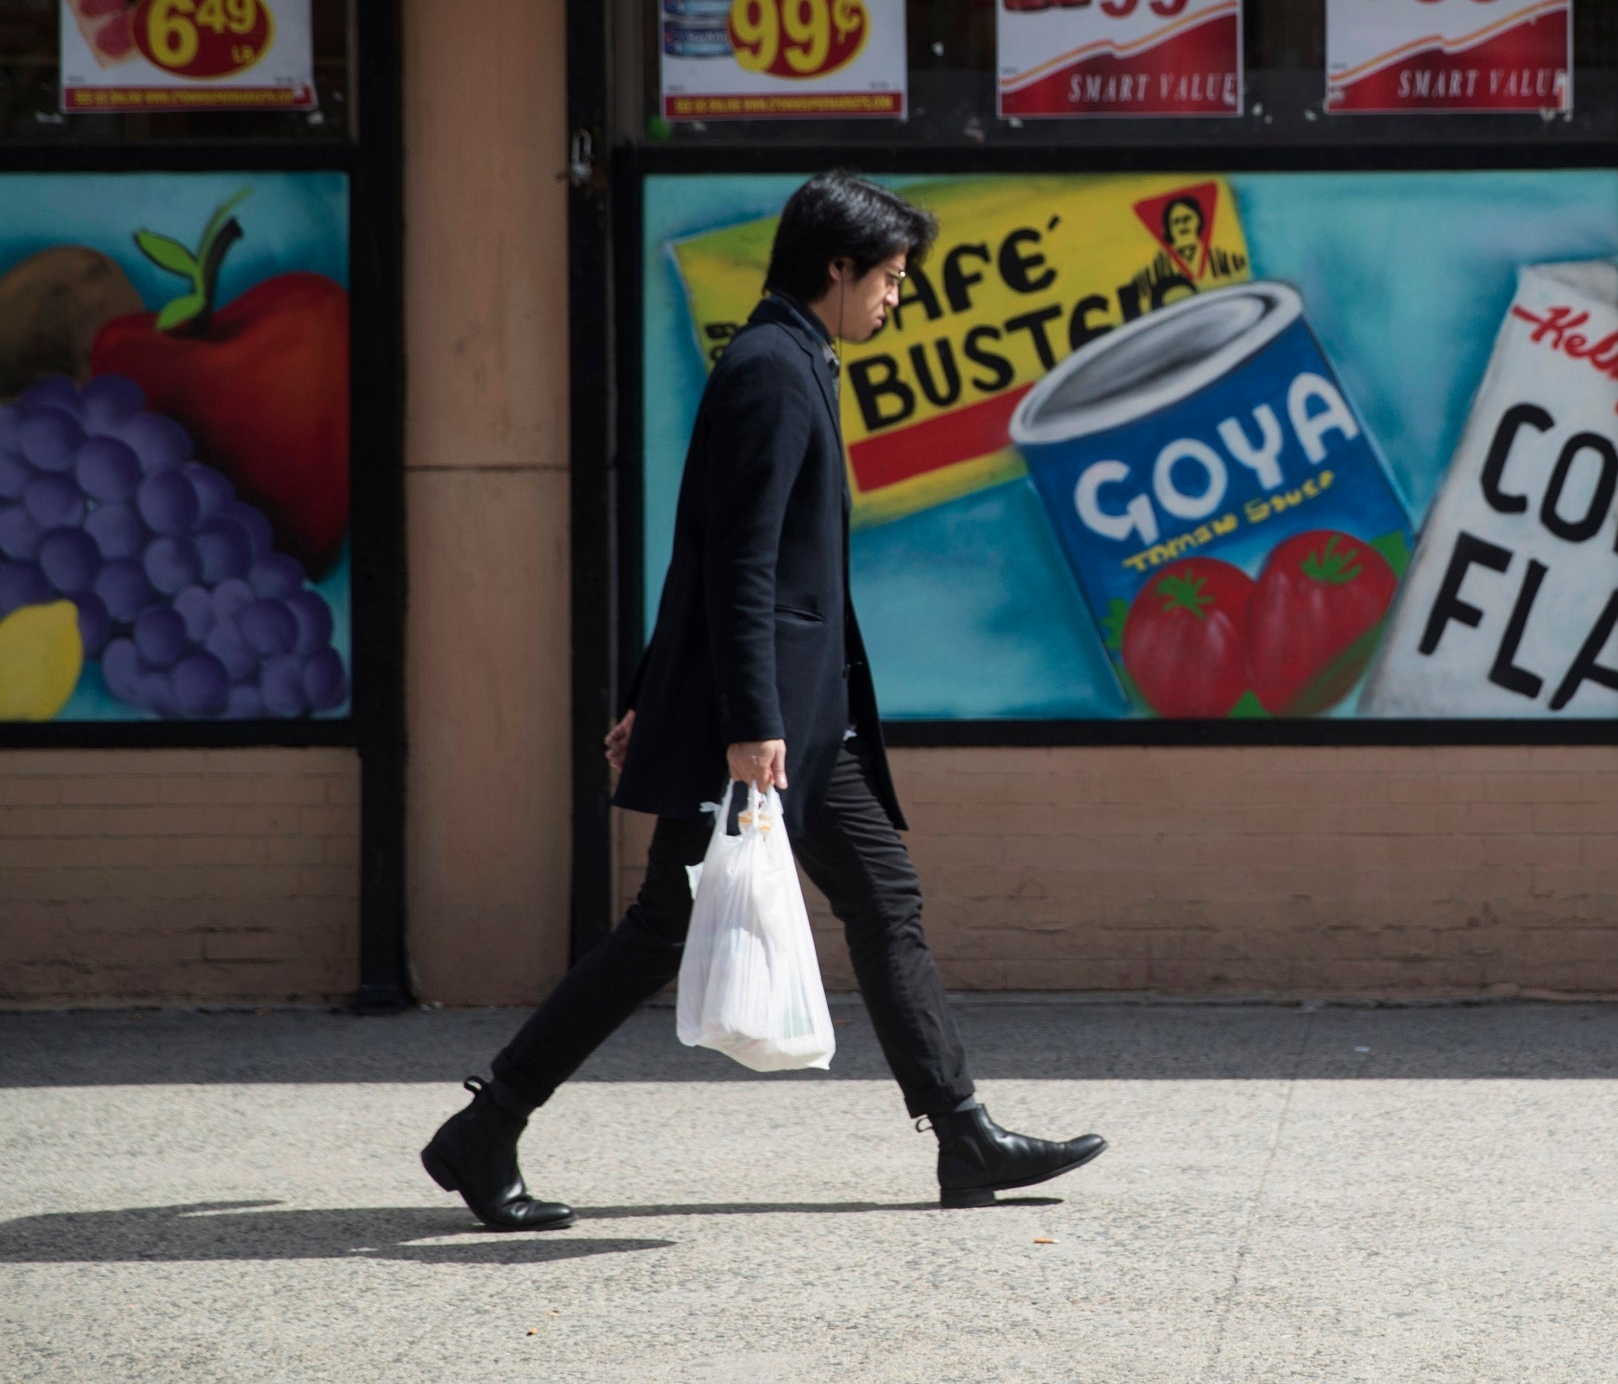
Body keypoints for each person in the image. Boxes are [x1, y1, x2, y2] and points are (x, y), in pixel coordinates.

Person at [421, 172, 1106, 1230]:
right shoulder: (773, 373)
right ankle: (488, 1125)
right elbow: (732, 564)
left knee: (885, 902)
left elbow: (702, 553)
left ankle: (963, 1135)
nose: (896, 298)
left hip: (797, 724)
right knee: (661, 928)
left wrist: (665, 696)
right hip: (771, 733)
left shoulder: (791, 361)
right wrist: (738, 725)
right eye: (887, 277)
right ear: (836, 269)